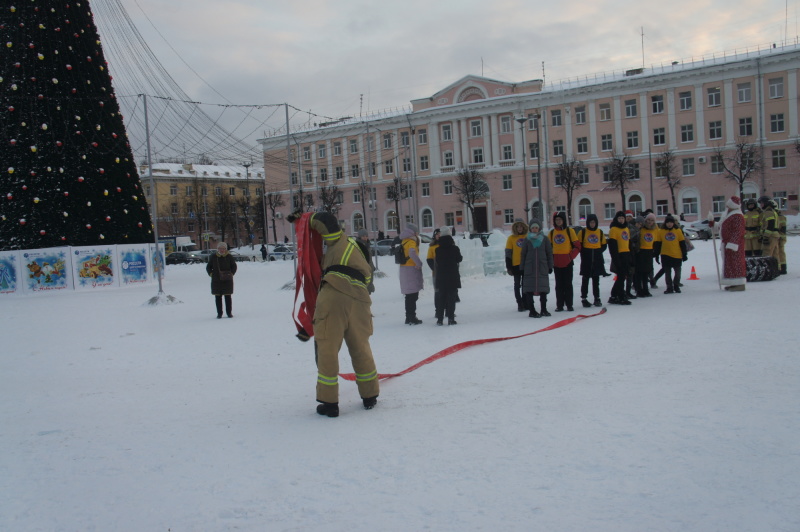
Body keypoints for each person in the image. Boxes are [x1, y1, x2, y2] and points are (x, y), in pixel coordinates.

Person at [288, 211, 379, 418]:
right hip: (360, 299)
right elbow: (367, 281)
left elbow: (325, 220)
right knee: (361, 347)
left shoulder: (340, 242)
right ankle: (370, 396)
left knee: (327, 347)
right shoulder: (359, 253)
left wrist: (302, 219)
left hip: (335, 294)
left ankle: (329, 403)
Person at [709, 196, 747, 291]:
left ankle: (739, 284)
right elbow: (720, 227)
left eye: (728, 205)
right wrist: (713, 223)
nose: (727, 207)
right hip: (727, 244)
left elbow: (738, 232)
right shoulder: (727, 215)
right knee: (729, 264)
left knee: (736, 263)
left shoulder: (738, 216)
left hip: (734, 245)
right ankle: (732, 282)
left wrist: (732, 243)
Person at [520, 218, 554, 318]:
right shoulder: (527, 240)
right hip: (529, 269)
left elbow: (549, 253)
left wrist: (550, 266)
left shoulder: (545, 239)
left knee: (543, 290)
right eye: (533, 227)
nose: (535, 229)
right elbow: (523, 254)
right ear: (530, 228)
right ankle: (532, 310)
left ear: (539, 228)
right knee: (529, 290)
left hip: (542, 268)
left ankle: (544, 309)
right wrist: (522, 267)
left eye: (536, 227)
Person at [548, 212, 581, 312]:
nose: (558, 221)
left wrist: (570, 257)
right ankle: (560, 305)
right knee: (558, 285)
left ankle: (569, 304)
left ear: (563, 221)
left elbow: (577, 246)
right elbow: (548, 247)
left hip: (567, 262)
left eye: (560, 220)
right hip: (557, 263)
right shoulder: (552, 233)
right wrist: (551, 259)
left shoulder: (569, 231)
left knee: (568, 284)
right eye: (556, 220)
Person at [434, 226, 462, 325]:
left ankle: (440, 319)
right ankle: (450, 318)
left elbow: (437, 261)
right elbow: (459, 259)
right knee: (451, 298)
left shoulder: (438, 250)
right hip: (452, 275)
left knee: (441, 297)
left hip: (441, 276)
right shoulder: (455, 248)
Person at [577, 214, 606, 308]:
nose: (592, 224)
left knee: (596, 280)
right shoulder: (583, 232)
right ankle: (584, 298)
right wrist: (586, 252)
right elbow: (579, 245)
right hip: (586, 260)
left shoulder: (600, 232)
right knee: (585, 280)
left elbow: (604, 245)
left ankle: (597, 298)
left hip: (597, 260)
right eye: (590, 222)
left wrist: (597, 251)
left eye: (594, 222)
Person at [653, 214, 687, 294]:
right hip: (665, 255)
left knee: (677, 273)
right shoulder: (661, 231)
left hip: (677, 255)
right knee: (667, 273)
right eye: (667, 222)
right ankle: (669, 287)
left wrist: (684, 254)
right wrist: (656, 255)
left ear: (673, 223)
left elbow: (682, 243)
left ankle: (676, 286)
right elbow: (658, 244)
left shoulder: (678, 230)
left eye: (671, 222)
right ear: (665, 223)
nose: (669, 224)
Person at [398, 222, 424, 325]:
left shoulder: (404, 240)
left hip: (404, 269)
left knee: (409, 295)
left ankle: (408, 317)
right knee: (412, 296)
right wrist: (419, 263)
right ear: (413, 232)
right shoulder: (411, 241)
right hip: (411, 269)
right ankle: (412, 317)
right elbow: (412, 252)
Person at [206, 242, 237, 318]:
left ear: (225, 249)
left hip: (227, 280)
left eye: (223, 248)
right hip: (216, 281)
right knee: (218, 297)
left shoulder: (229, 257)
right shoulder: (213, 257)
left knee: (228, 297)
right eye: (220, 248)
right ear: (218, 249)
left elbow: (234, 266)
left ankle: (229, 313)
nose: (222, 250)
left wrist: (231, 274)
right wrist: (211, 274)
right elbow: (208, 267)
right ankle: (219, 313)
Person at [607, 211, 632, 305]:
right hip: (619, 255)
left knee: (622, 277)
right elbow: (612, 246)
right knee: (621, 277)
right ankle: (621, 296)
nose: (621, 220)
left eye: (622, 218)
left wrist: (630, 257)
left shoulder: (626, 228)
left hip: (626, 254)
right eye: (619, 218)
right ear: (616, 219)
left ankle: (614, 295)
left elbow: (628, 243)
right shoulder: (614, 229)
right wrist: (616, 259)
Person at [505, 219, 529, 311]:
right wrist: (509, 267)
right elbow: (508, 253)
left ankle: (525, 301)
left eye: (521, 226)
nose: (519, 228)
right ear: (515, 228)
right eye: (517, 226)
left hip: (526, 265)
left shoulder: (528, 237)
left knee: (525, 285)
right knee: (517, 285)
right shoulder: (511, 238)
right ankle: (519, 303)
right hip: (516, 265)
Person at [634, 213, 657, 297]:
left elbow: (656, 241)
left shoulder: (654, 229)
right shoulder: (641, 229)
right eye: (648, 220)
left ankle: (646, 289)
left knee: (646, 272)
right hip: (640, 251)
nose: (650, 222)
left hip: (649, 251)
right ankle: (639, 290)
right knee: (639, 272)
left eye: (652, 220)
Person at [758, 196, 781, 264]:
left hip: (770, 236)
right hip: (774, 235)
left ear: (766, 203)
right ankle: (776, 269)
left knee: (766, 253)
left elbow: (770, 225)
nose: (760, 205)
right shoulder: (772, 211)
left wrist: (766, 237)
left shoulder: (768, 212)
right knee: (775, 254)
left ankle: (767, 270)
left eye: (762, 203)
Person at [625, 215, 642, 299]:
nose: (639, 225)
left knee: (633, 272)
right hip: (628, 252)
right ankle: (626, 291)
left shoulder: (637, 229)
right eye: (638, 223)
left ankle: (631, 289)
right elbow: (629, 237)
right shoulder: (631, 228)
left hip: (634, 252)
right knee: (629, 272)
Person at [356, 229, 376, 293]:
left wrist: (372, 266)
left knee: (368, 286)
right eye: (363, 236)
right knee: (364, 288)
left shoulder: (367, 245)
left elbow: (369, 258)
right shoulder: (358, 245)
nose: (365, 238)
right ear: (360, 237)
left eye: (366, 236)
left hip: (369, 268)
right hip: (363, 269)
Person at [777, 205, 788, 275]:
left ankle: (782, 268)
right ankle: (782, 267)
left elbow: (783, 228)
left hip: (780, 238)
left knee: (780, 252)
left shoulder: (780, 217)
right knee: (780, 253)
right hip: (779, 237)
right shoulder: (779, 216)